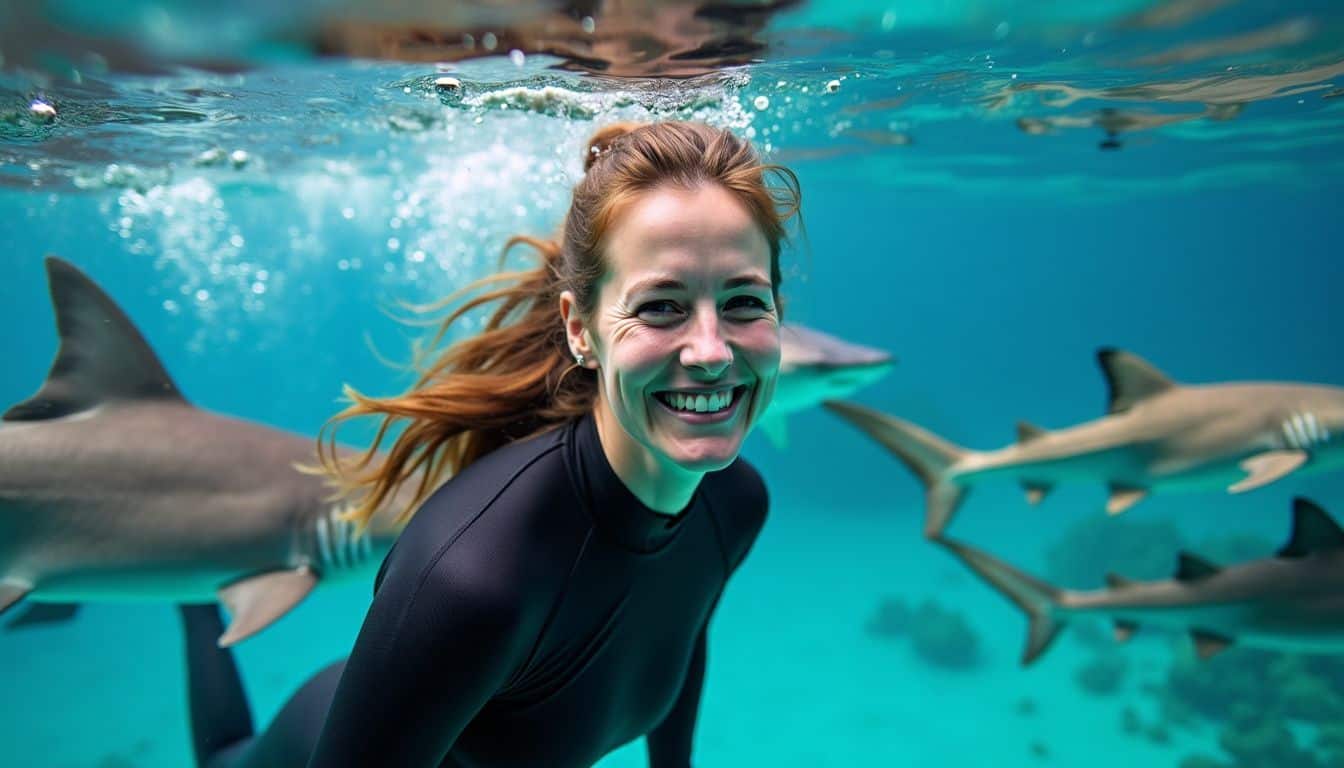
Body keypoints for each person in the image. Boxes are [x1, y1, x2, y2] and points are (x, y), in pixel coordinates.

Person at [178, 119, 802, 768]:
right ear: (579, 329)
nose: (710, 351)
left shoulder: (734, 505)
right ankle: (194, 602)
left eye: (743, 303)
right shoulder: (472, 578)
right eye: (661, 307)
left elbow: (678, 633)